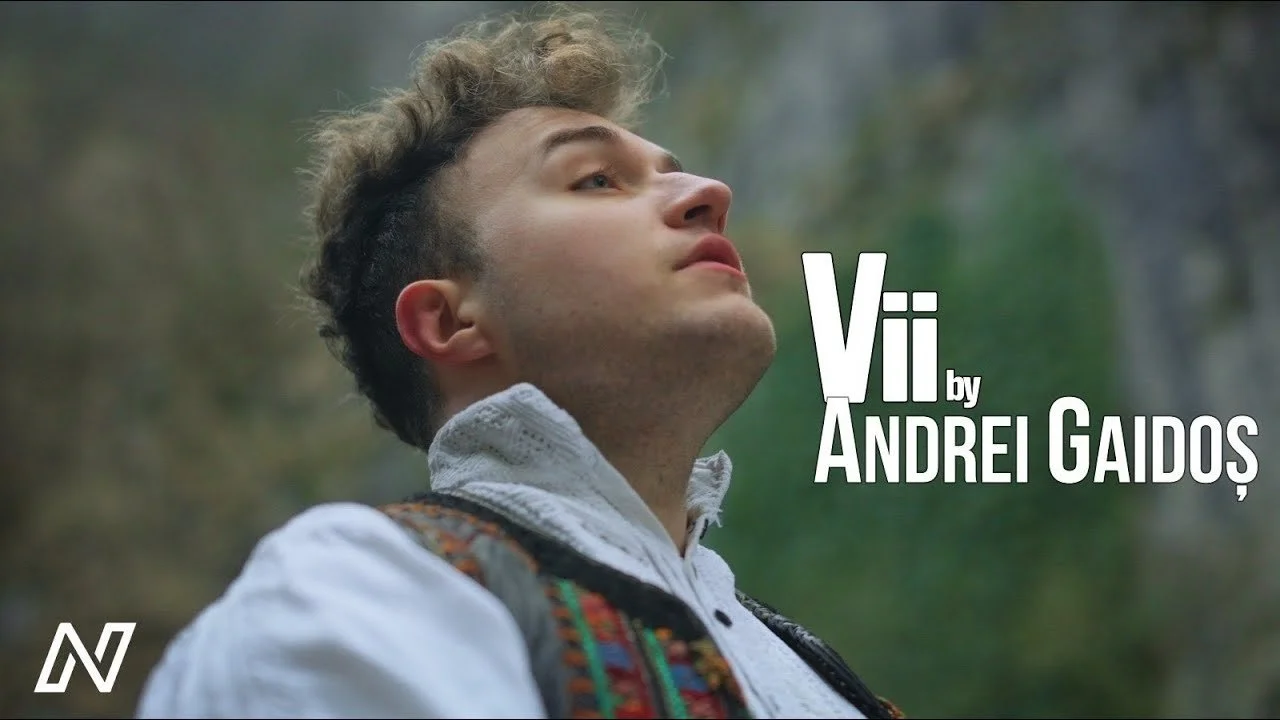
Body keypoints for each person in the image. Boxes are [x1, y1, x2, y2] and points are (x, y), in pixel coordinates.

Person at [136, 4, 903, 719]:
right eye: (596, 180)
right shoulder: (353, 592)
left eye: (672, 169)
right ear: (449, 320)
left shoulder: (810, 666)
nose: (708, 191)